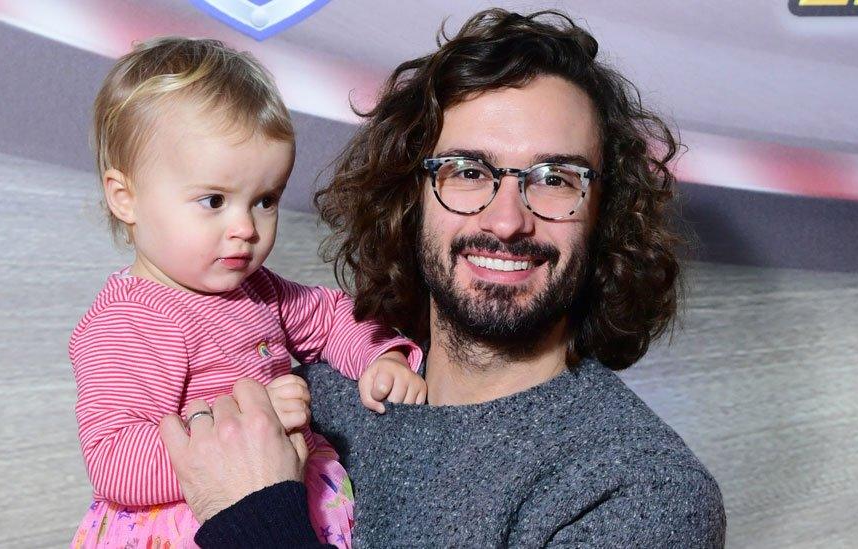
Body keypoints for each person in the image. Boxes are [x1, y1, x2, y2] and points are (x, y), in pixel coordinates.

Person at [161, 9, 727, 548]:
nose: (507, 221)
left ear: (606, 214)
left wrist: (253, 517)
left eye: (556, 178)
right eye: (468, 172)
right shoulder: (313, 393)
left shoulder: (643, 492)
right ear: (411, 200)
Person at [69, 37, 427, 549]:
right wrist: (250, 419)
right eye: (213, 200)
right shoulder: (128, 323)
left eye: (264, 200)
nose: (245, 227)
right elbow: (114, 461)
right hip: (189, 523)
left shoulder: (258, 291)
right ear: (126, 198)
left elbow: (330, 316)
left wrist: (380, 356)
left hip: (288, 505)